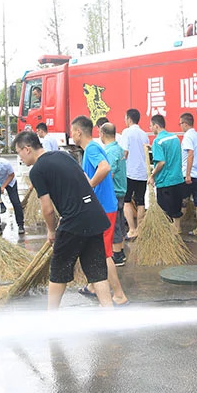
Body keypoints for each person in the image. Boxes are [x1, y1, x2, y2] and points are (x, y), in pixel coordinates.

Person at [14, 130, 113, 309]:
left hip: (74, 222)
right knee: (96, 270)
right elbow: (85, 180)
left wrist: (51, 231)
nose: (19, 157)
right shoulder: (64, 155)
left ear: (27, 149)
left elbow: (47, 209)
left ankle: (51, 315)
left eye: (19, 152)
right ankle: (109, 310)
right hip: (94, 215)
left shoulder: (37, 170)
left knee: (58, 271)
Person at [71, 116, 129, 306]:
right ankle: (93, 286)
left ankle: (119, 295)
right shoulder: (92, 148)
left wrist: (89, 185)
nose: (71, 135)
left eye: (72, 131)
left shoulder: (92, 149)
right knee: (96, 249)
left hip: (104, 208)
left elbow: (105, 168)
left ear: (79, 132)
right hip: (102, 207)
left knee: (104, 254)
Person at [149, 114, 184, 233]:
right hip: (178, 179)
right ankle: (177, 232)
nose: (150, 128)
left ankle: (167, 238)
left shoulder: (157, 141)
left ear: (156, 126)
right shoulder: (175, 138)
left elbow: (161, 162)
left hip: (165, 182)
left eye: (151, 126)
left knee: (165, 214)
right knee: (176, 212)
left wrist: (152, 175)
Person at [101, 122, 128, 267]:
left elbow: (109, 174)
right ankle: (121, 251)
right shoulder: (119, 149)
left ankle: (117, 255)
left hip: (114, 192)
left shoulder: (110, 152)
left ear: (102, 134)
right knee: (121, 223)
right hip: (121, 190)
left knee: (115, 224)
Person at [121, 108, 148, 240]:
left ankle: (132, 230)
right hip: (143, 173)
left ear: (129, 119)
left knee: (126, 201)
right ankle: (140, 229)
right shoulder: (144, 134)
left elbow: (124, 152)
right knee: (141, 201)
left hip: (130, 172)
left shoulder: (127, 132)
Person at [179, 112, 197, 237]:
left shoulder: (188, 137)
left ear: (185, 124)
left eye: (180, 124)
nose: (180, 126)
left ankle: (177, 227)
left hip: (190, 174)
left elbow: (191, 154)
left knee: (183, 201)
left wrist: (188, 174)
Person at [0, 157, 25, 235]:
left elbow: (11, 175)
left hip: (10, 181)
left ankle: (20, 224)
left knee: (15, 202)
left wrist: (3, 186)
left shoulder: (5, 164)